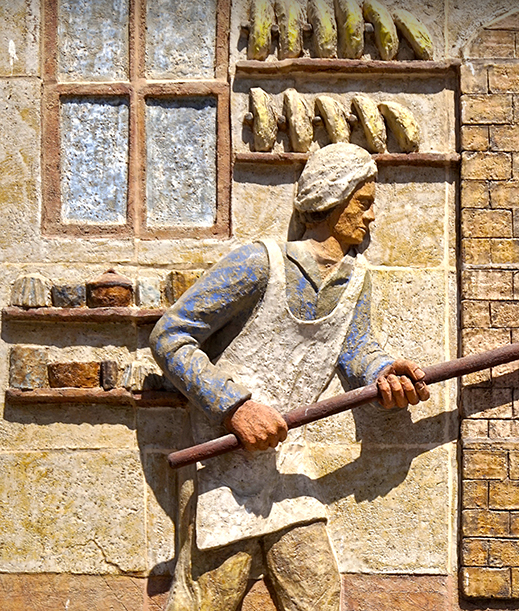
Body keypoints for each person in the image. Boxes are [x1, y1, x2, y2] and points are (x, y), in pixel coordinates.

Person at [150, 143, 428, 611]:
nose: (372, 216)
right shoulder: (259, 263)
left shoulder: (356, 281)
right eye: (363, 203)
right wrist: (233, 406)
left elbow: (356, 351)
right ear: (331, 199)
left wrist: (385, 374)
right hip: (223, 467)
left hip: (290, 470)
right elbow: (171, 336)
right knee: (206, 600)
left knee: (317, 595)